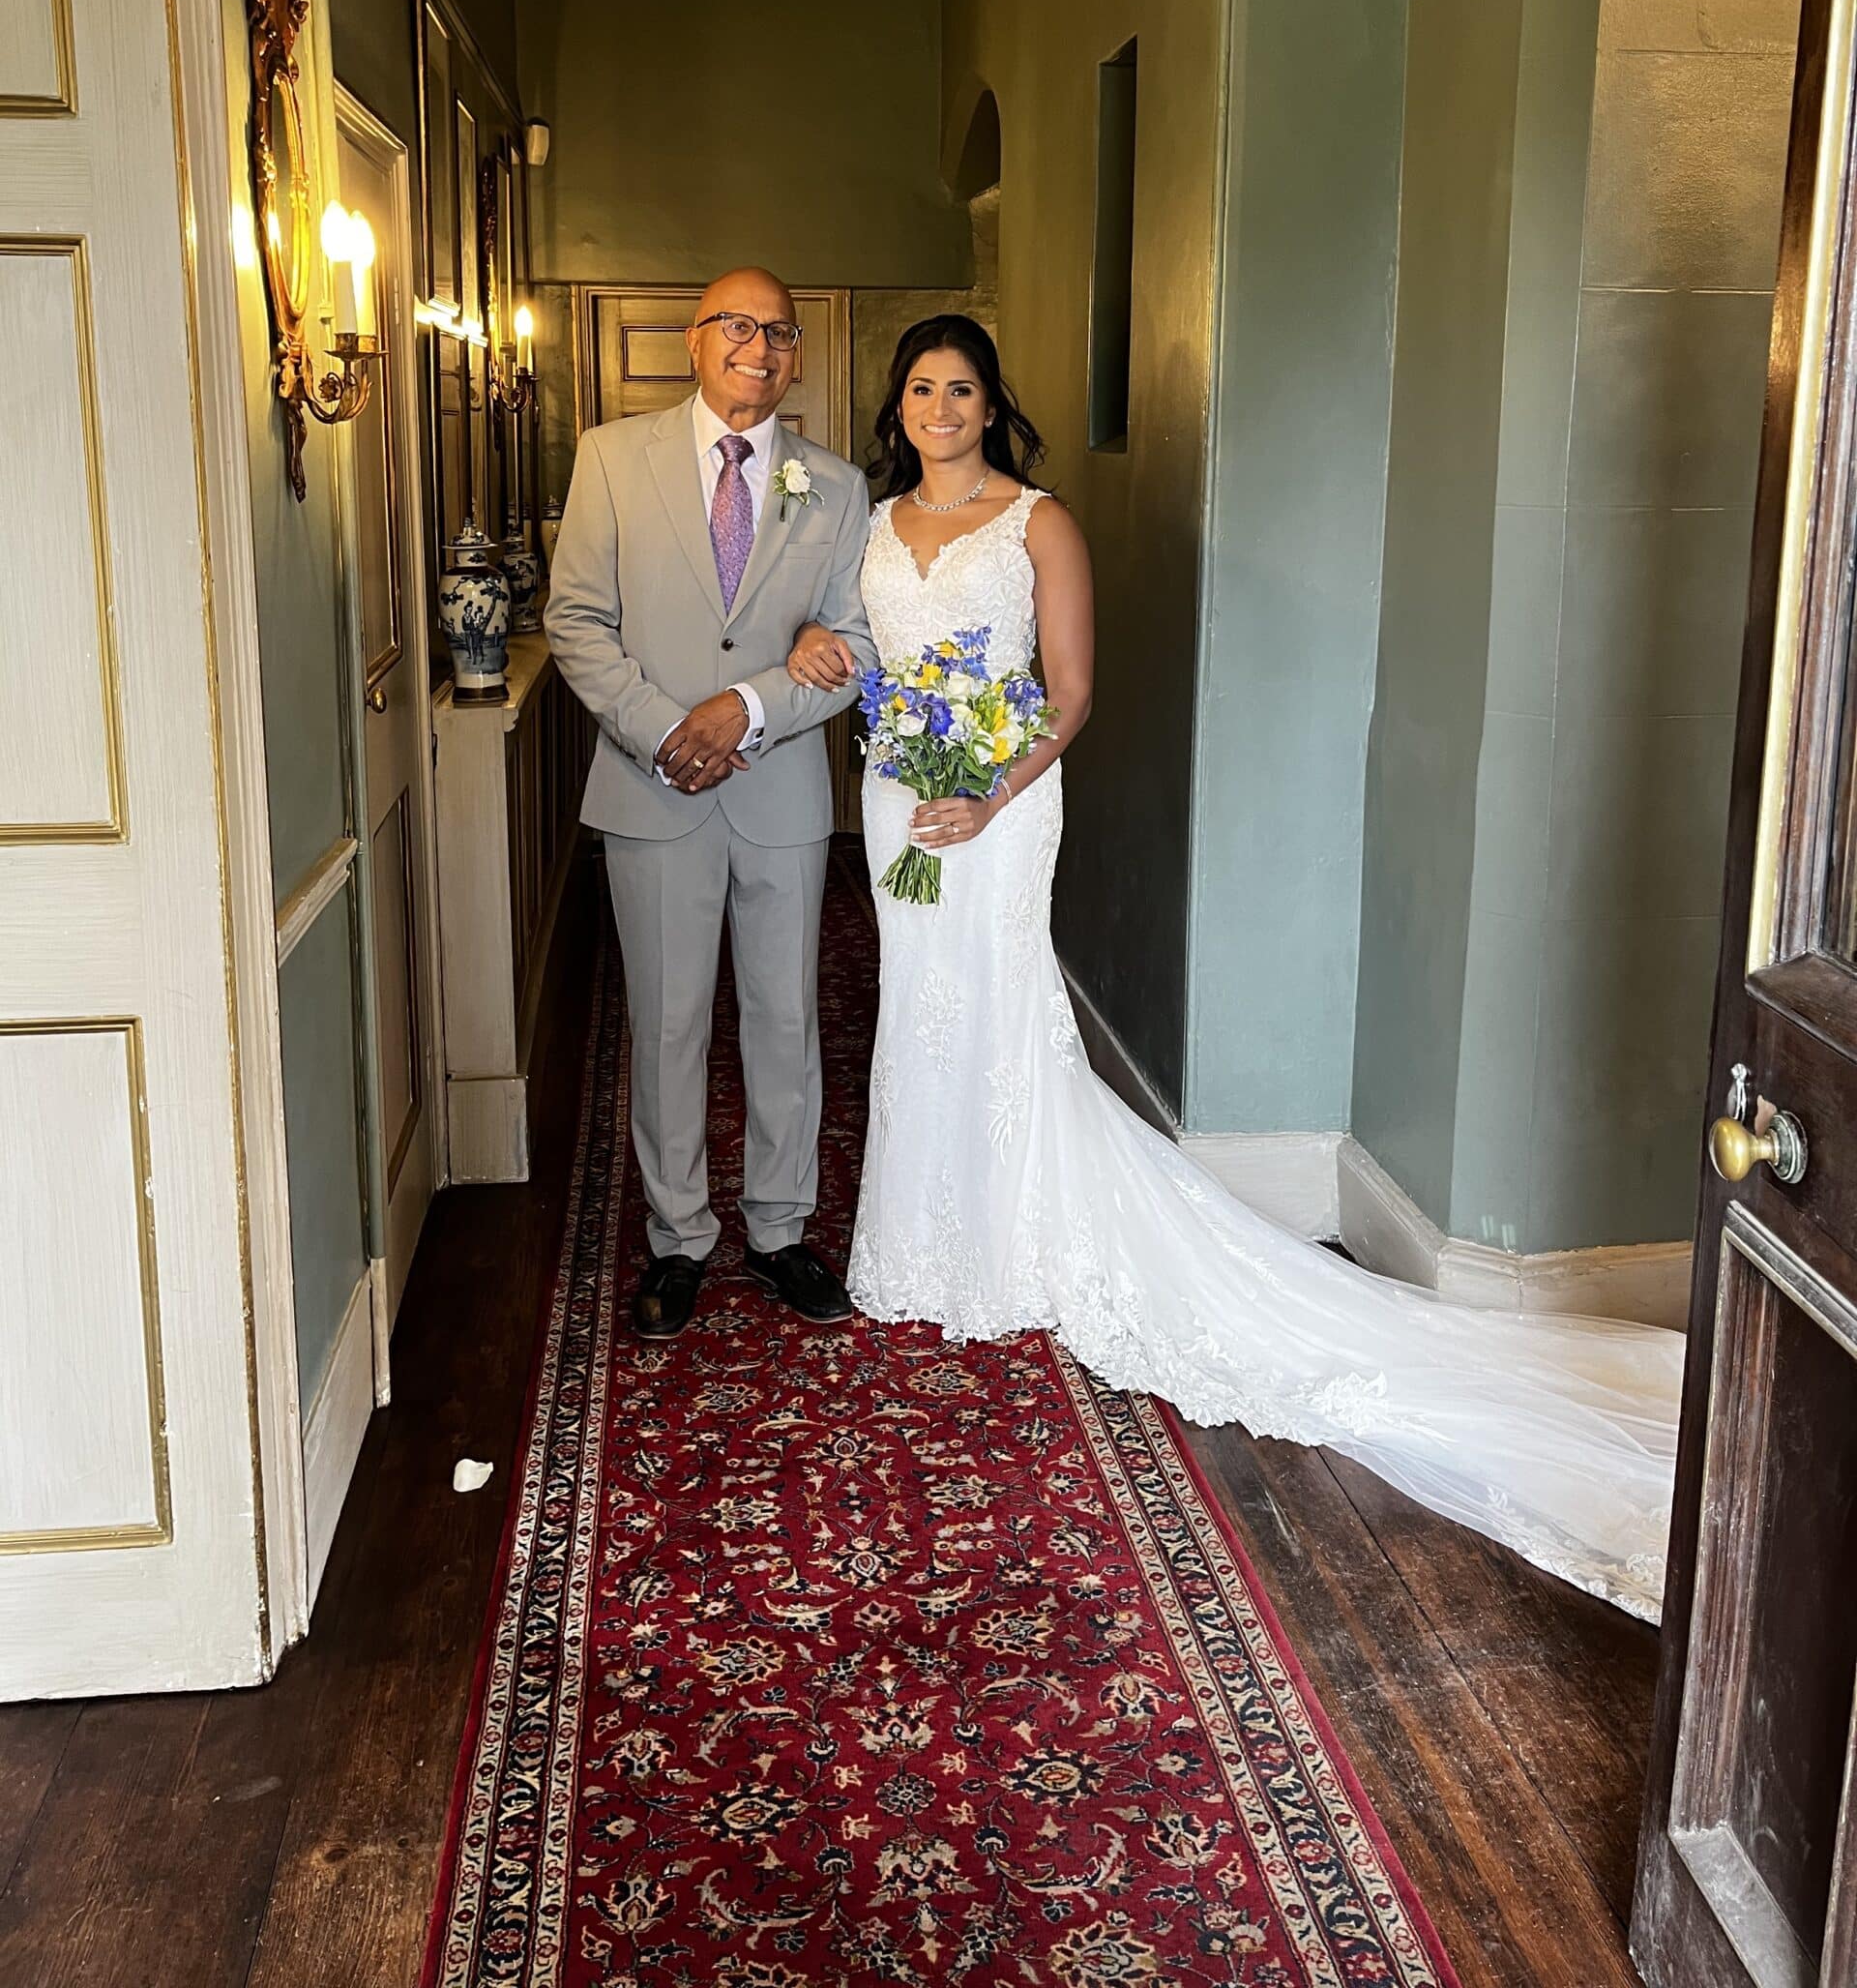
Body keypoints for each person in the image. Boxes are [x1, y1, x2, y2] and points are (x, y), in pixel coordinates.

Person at [788, 314, 1684, 1620]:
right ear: (898, 405)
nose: (940, 408)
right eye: (921, 388)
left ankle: (1012, 1236)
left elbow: (1070, 692)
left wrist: (987, 793)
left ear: (991, 404)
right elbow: (862, 647)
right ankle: (924, 1238)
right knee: (917, 1009)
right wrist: (822, 655)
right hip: (897, 800)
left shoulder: (1038, 522)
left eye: (962, 388)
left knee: (994, 1004)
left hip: (1000, 802)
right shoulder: (870, 528)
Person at [546, 267, 875, 1341]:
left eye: (779, 331)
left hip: (780, 792)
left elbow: (855, 642)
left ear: (795, 355)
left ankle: (780, 1229)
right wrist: (664, 730)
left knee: (786, 1017)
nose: (759, 346)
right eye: (737, 325)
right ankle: (678, 1237)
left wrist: (746, 709)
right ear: (694, 340)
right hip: (652, 789)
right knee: (668, 1020)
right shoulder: (611, 457)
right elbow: (576, 620)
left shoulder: (836, 486)